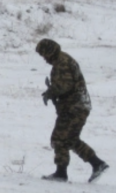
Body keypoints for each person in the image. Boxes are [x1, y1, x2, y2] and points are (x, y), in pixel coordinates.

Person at [36, 38, 109, 183]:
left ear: (50, 52)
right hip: (76, 107)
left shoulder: (62, 62)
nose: (44, 59)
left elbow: (65, 86)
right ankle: (95, 164)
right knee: (68, 139)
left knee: (60, 138)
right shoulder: (62, 60)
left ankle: (63, 173)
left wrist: (51, 92)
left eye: (44, 55)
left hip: (74, 108)